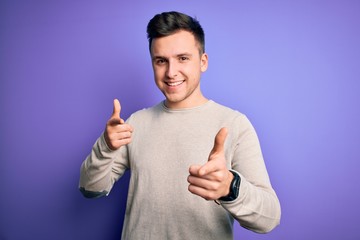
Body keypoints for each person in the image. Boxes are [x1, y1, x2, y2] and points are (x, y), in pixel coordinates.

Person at [79, 11, 281, 239]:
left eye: (183, 58)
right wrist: (105, 146)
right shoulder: (136, 122)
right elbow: (90, 189)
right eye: (161, 61)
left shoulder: (234, 124)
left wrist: (230, 188)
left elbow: (269, 218)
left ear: (203, 61)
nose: (171, 72)